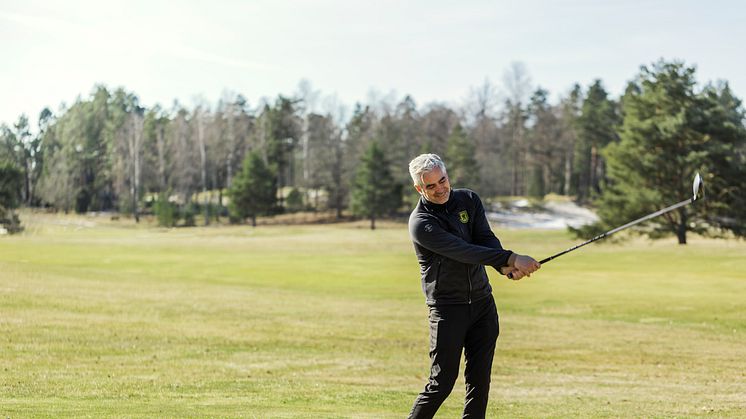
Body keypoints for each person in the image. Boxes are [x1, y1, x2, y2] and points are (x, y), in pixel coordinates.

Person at [407, 153, 541, 418]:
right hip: (448, 309)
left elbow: (484, 238)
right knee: (441, 383)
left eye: (442, 180)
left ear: (448, 175)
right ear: (419, 188)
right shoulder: (421, 223)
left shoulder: (468, 200)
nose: (439, 189)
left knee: (479, 382)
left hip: (482, 305)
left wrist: (503, 267)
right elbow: (464, 251)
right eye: (430, 185)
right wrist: (512, 258)